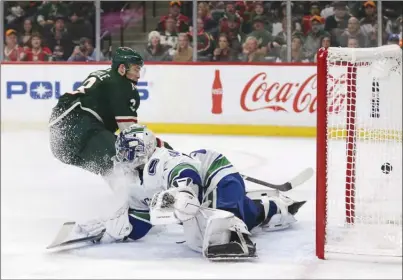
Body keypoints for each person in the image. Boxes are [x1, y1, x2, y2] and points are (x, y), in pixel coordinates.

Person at [60, 124, 306, 260]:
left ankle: (262, 214)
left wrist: (184, 193)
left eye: (128, 149)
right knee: (226, 224)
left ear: (143, 148)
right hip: (205, 192)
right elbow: (140, 221)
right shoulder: (133, 181)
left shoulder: (162, 159)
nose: (123, 156)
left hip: (217, 175)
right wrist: (107, 231)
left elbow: (186, 172)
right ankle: (276, 208)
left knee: (216, 227)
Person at [49, 47, 172, 185]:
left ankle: (124, 198)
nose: (138, 75)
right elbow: (131, 134)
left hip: (59, 142)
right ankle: (134, 200)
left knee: (110, 165)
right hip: (81, 127)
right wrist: (161, 146)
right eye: (136, 69)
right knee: (123, 162)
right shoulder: (123, 85)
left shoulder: (100, 74)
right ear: (122, 69)